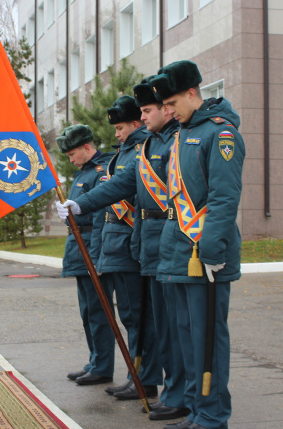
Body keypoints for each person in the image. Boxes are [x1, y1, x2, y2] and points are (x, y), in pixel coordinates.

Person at [56, 79, 190, 423]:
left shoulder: (163, 143)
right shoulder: (138, 150)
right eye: (142, 112)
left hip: (156, 243)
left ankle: (152, 382)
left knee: (155, 322)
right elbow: (118, 190)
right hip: (137, 244)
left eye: (146, 112)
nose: (118, 133)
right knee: (141, 319)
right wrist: (81, 205)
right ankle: (145, 380)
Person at [150, 60, 245, 429]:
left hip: (204, 256)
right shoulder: (183, 133)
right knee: (188, 340)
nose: (167, 111)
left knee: (207, 342)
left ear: (193, 93)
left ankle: (212, 415)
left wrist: (211, 250)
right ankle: (196, 410)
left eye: (171, 103)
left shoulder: (220, 134)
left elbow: (223, 199)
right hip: (178, 253)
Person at [99, 96, 162, 402]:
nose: (116, 133)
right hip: (116, 247)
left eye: (121, 126)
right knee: (130, 317)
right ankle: (135, 376)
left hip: (129, 247)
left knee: (139, 318)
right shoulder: (122, 153)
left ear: (136, 123)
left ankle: (144, 378)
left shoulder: (142, 149)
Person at [57, 124, 116, 386]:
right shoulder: (83, 174)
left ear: (87, 147)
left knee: (99, 310)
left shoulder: (102, 173)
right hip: (80, 248)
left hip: (93, 246)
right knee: (87, 311)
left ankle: (103, 366)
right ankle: (95, 361)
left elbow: (103, 214)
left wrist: (97, 255)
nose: (70, 160)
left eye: (72, 154)